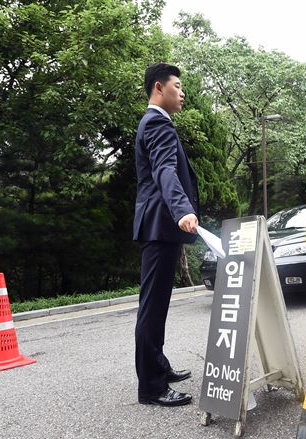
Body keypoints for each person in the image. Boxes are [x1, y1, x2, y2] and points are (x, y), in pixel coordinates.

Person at [133, 62, 200, 407]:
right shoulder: (157, 122)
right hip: (161, 224)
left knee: (157, 306)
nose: (182, 92)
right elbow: (164, 170)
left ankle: (158, 367)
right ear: (159, 88)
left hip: (159, 226)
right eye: (177, 85)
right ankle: (152, 388)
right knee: (152, 308)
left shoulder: (154, 121)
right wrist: (182, 209)